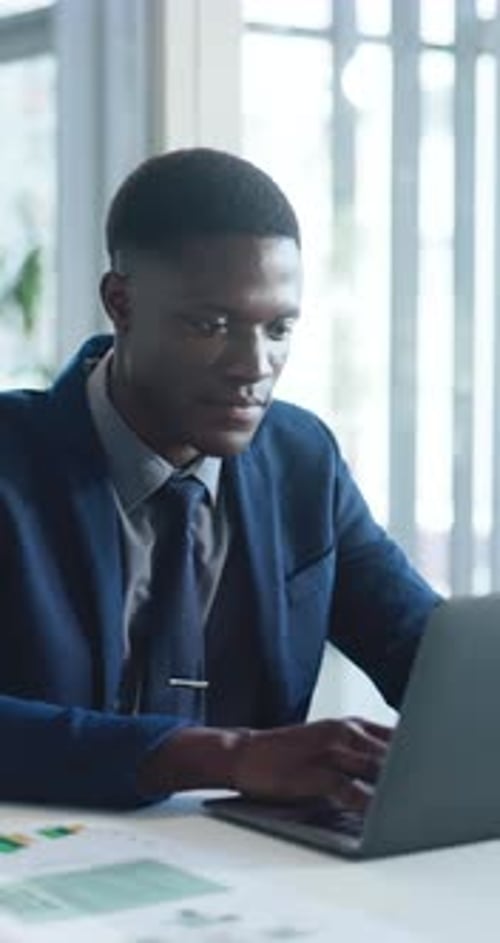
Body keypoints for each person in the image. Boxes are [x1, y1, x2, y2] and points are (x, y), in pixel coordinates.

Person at [0, 148, 440, 810]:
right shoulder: (12, 459)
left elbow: (424, 651)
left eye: (278, 328)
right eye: (211, 325)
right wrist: (224, 756)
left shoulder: (301, 460)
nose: (252, 366)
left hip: (246, 860)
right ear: (121, 302)